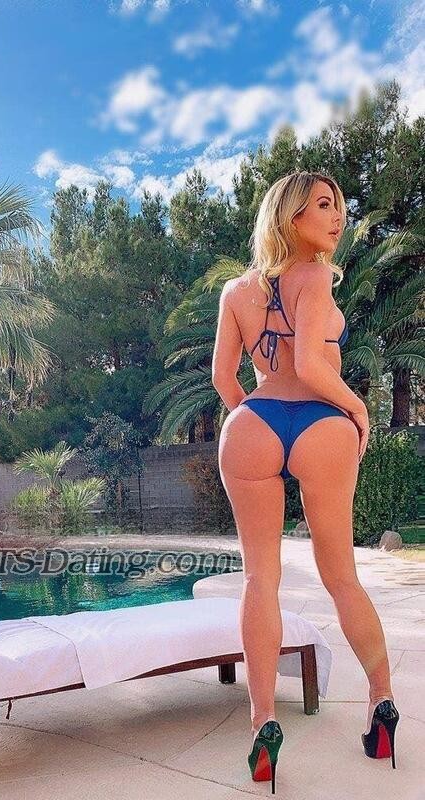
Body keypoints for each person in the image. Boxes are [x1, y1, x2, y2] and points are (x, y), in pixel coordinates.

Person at [211, 171, 399, 793]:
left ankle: (263, 722)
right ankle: (381, 700)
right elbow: (312, 364)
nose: (338, 217)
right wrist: (358, 408)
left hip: (255, 420)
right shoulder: (315, 276)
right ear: (292, 216)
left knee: (259, 579)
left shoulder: (235, 291)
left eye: (339, 205)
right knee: (341, 576)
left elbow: (223, 379)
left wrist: (250, 420)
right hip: (321, 425)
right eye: (324, 205)